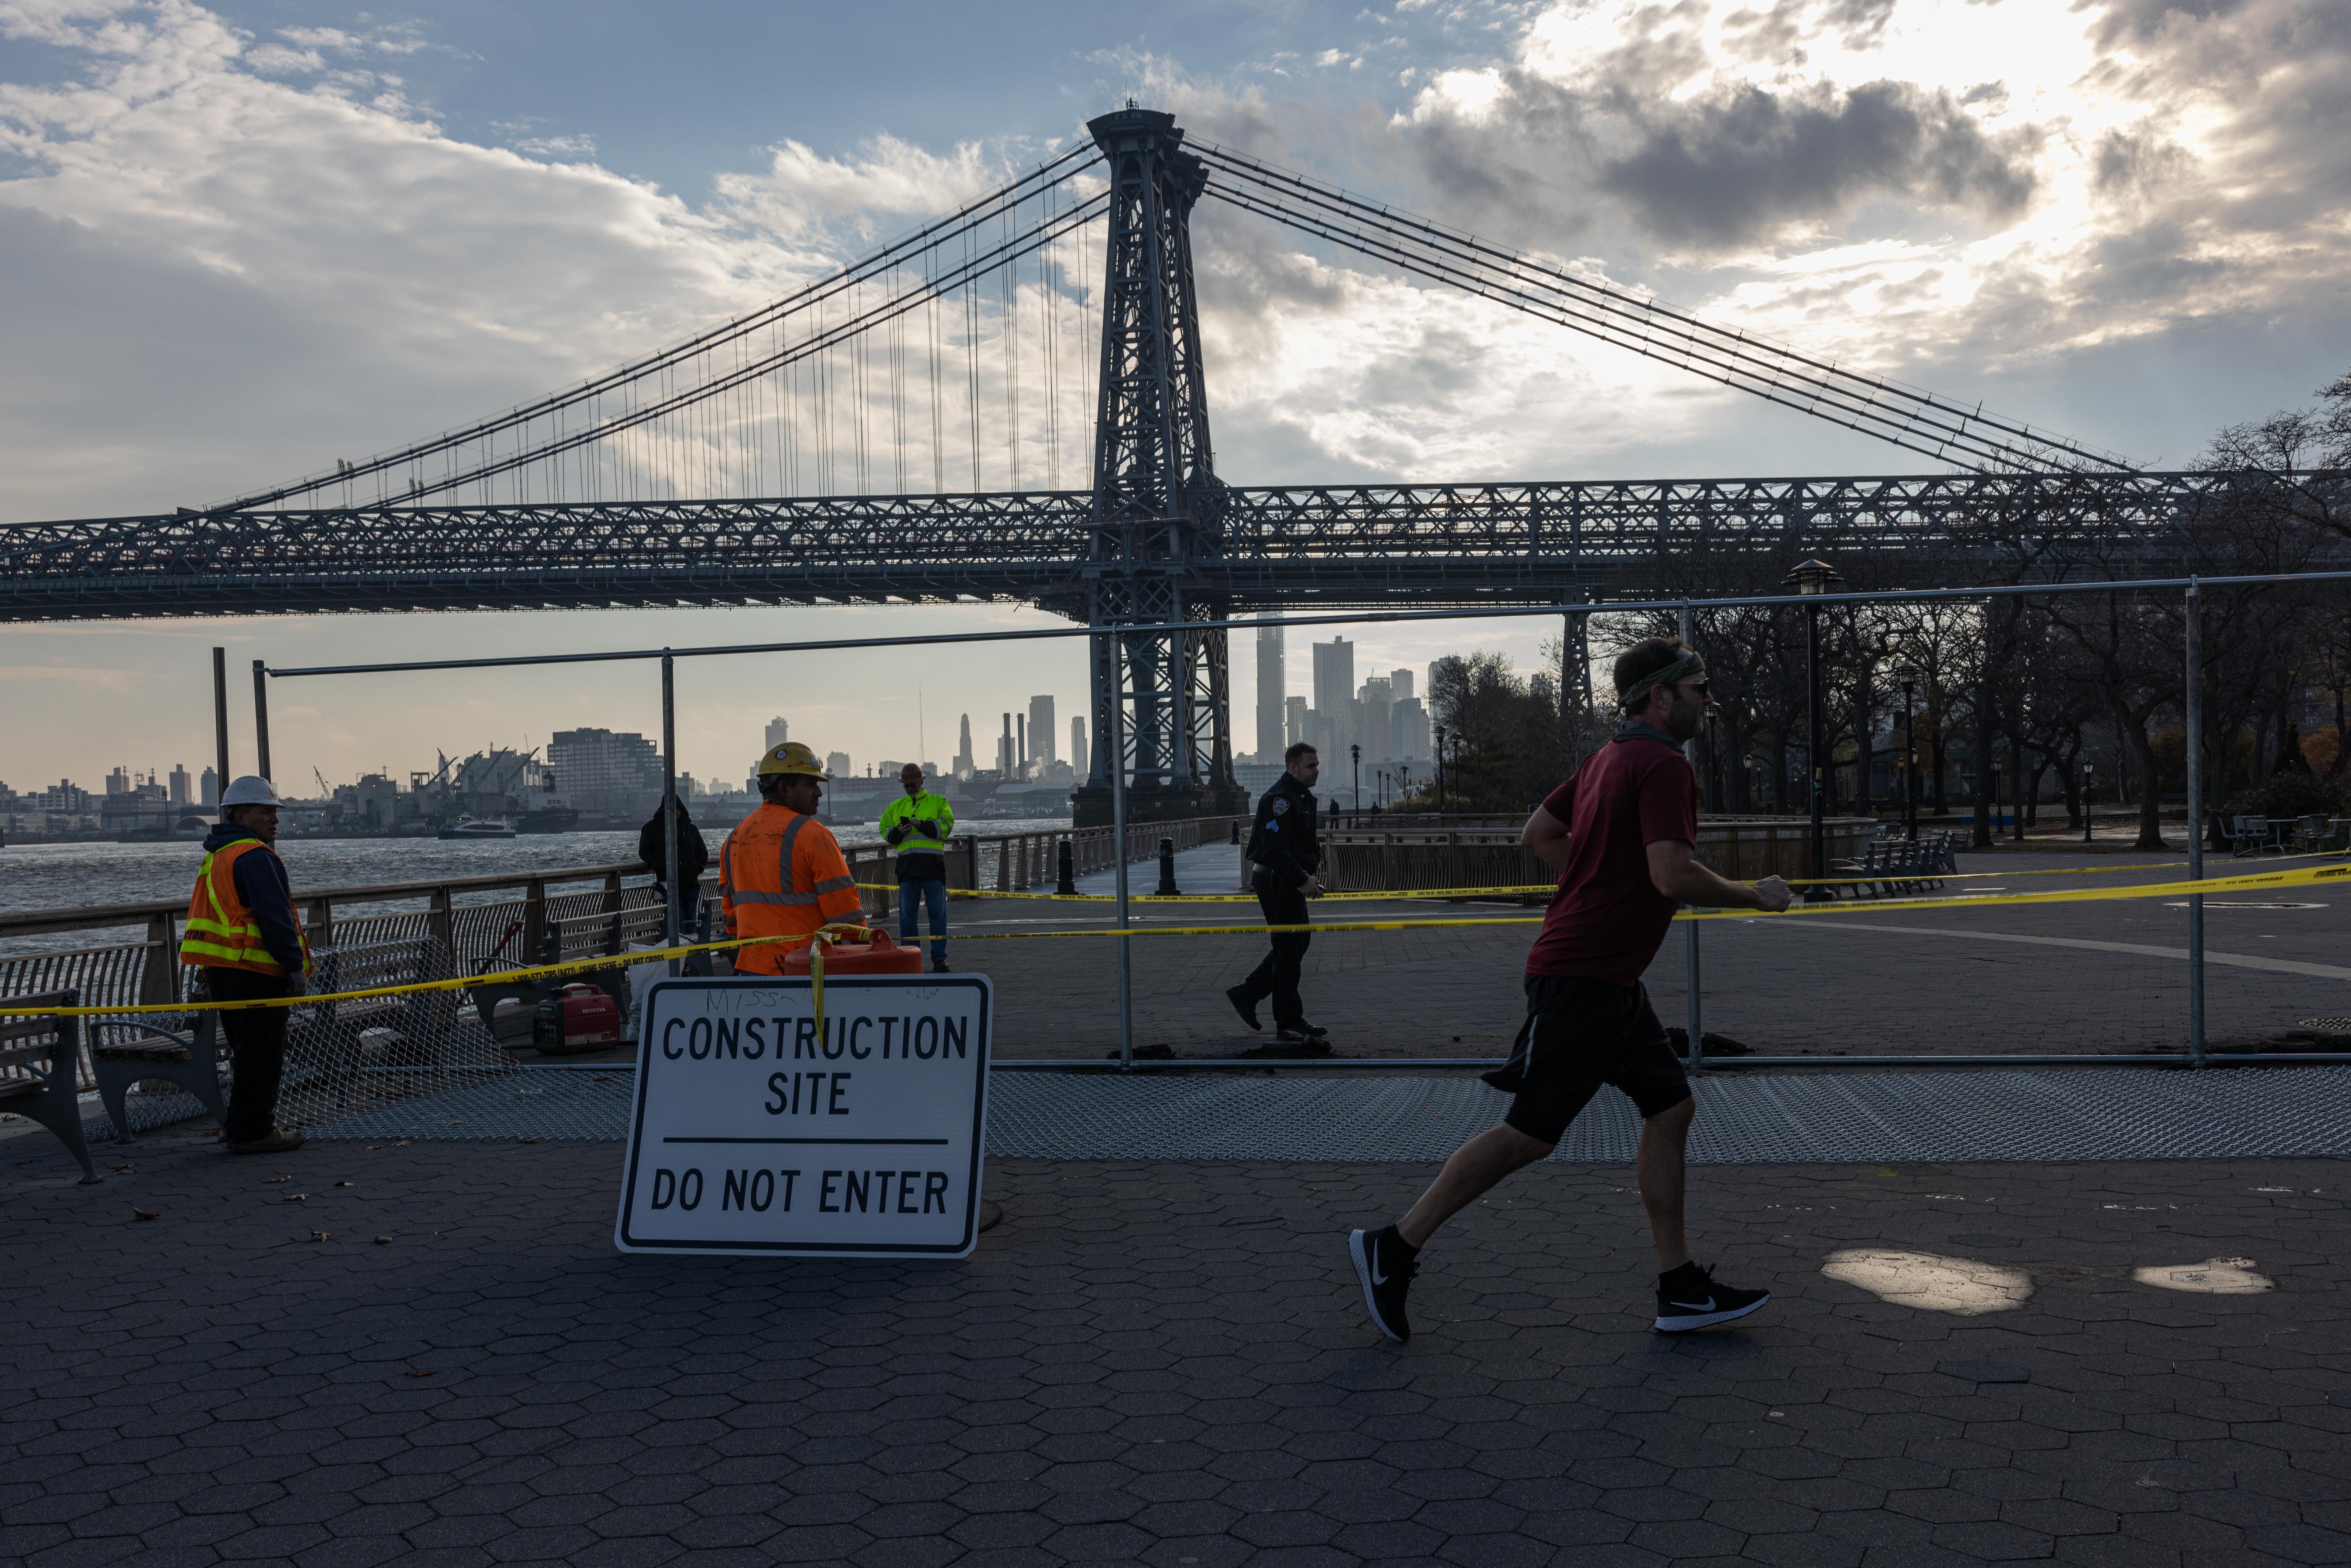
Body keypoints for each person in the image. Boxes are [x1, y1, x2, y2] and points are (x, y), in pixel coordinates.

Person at [1348, 638, 1793, 1342]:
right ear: (1661, 696)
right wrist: (1754, 895)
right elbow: (1672, 876)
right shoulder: (1659, 764)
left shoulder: (1603, 761)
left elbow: (1538, 832)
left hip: (1608, 979)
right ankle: (1393, 1246)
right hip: (1582, 978)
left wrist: (1593, 881)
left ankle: (1678, 1288)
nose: (1710, 701)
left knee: (1671, 1108)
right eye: (1700, 689)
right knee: (1529, 1135)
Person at [180, 776, 312, 1154]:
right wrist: (294, 966)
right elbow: (275, 918)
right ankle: (255, 1132)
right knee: (263, 1053)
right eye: (264, 812)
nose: (274, 820)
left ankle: (242, 1126)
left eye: (274, 812)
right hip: (256, 971)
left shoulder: (217, 856)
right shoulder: (255, 857)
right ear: (240, 815)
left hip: (224, 971)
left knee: (247, 1052)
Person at [718, 741, 866, 974]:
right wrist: (869, 950)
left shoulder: (734, 838)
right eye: (810, 785)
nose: (818, 792)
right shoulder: (813, 835)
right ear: (785, 789)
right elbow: (845, 913)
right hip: (806, 968)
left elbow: (730, 916)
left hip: (751, 968)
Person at [1227, 741, 1329, 1046]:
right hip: (1276, 882)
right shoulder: (1279, 801)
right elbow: (1274, 849)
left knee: (1295, 943)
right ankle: (1287, 1022)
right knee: (1288, 948)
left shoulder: (1299, 797)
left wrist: (1307, 876)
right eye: (1310, 766)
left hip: (1287, 880)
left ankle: (1247, 995)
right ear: (1292, 767)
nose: (1316, 771)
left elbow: (1300, 844)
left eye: (1317, 765)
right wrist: (1302, 878)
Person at [879, 764, 955, 973]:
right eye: (907, 786)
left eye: (913, 784)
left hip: (932, 870)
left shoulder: (939, 803)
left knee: (937, 916)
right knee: (907, 918)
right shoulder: (895, 807)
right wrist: (899, 832)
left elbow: (946, 828)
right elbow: (885, 832)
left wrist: (922, 825)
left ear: (922, 782)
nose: (911, 788)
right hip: (908, 871)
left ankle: (940, 959)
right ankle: (911, 960)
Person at [637, 795, 712, 970]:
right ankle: (684, 965)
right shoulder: (652, 829)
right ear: (664, 810)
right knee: (679, 924)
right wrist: (658, 864)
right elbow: (644, 851)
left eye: (678, 809)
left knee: (691, 924)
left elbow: (703, 853)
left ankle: (688, 964)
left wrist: (698, 868)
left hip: (691, 885)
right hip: (669, 886)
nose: (676, 813)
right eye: (672, 809)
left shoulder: (691, 829)